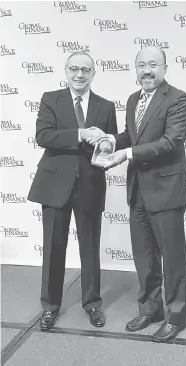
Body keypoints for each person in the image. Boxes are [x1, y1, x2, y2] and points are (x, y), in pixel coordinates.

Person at [86, 46, 186, 342]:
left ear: (165, 68)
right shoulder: (134, 99)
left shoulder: (179, 99)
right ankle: (150, 308)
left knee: (172, 258)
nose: (147, 70)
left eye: (153, 65)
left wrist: (127, 153)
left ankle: (175, 316)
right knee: (144, 257)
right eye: (142, 65)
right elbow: (131, 137)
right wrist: (108, 140)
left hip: (167, 191)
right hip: (138, 191)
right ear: (136, 70)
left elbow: (170, 142)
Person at [28, 51, 117, 331]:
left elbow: (110, 144)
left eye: (86, 70)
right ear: (66, 71)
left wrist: (108, 153)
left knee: (90, 248)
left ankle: (92, 304)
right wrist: (80, 133)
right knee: (54, 248)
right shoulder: (50, 99)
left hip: (90, 185)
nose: (80, 75)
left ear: (94, 74)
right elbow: (43, 136)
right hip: (55, 186)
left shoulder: (106, 106)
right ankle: (50, 306)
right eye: (75, 69)